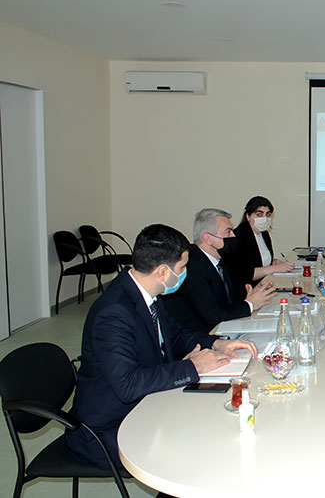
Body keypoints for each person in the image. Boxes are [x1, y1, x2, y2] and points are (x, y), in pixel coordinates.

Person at [66, 224, 258, 470]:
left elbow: (176, 335)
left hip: (147, 403)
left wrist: (218, 343)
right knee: (202, 452)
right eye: (183, 267)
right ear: (163, 272)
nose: (186, 272)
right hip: (109, 427)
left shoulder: (146, 291)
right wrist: (194, 367)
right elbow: (128, 385)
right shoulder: (113, 313)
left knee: (215, 425)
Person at [163, 208, 276, 332]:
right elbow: (213, 316)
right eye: (228, 232)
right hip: (202, 335)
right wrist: (250, 304)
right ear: (208, 238)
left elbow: (229, 296)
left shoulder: (221, 260)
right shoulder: (193, 267)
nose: (233, 236)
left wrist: (251, 294)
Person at [223, 196, 294, 287]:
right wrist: (274, 268)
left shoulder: (264, 233)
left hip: (264, 283)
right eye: (259, 215)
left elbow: (258, 261)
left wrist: (274, 262)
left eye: (268, 214)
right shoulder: (239, 236)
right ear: (248, 216)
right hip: (246, 289)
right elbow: (244, 273)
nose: (265, 218)